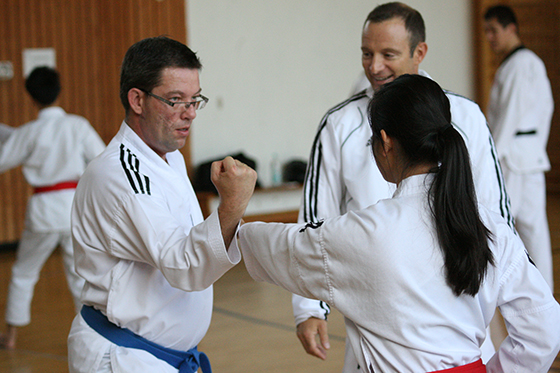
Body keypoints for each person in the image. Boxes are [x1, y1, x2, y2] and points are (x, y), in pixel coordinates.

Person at [239, 74, 560, 373]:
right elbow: (543, 329)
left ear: (385, 142)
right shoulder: (489, 225)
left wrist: (234, 208)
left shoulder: (362, 233)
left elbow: (274, 245)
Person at [294, 2, 513, 370]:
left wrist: (508, 299)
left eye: (388, 54)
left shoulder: (465, 117)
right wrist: (309, 307)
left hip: (455, 310)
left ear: (419, 53)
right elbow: (315, 218)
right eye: (367, 53)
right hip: (373, 314)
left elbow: (495, 213)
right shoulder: (340, 124)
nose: (374, 66)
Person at [67, 36, 257, 373]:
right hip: (123, 356)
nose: (190, 113)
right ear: (137, 100)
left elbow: (187, 244)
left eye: (195, 100)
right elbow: (183, 265)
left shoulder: (169, 159)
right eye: (175, 100)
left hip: (158, 356)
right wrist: (232, 205)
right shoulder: (122, 175)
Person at [0, 67, 106, 349]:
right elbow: (103, 160)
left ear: (31, 97)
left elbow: (4, 157)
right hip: (75, 208)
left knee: (24, 271)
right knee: (80, 275)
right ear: (59, 89)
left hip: (43, 210)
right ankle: (91, 336)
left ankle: (10, 336)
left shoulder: (29, 132)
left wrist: (17, 138)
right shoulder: (77, 125)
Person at [484, 5, 554, 290]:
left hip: (513, 157)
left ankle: (534, 294)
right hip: (526, 155)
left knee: (501, 225)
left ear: (511, 28)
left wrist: (491, 156)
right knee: (530, 231)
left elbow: (510, 115)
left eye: (494, 30)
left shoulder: (521, 64)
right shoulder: (521, 63)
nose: (489, 37)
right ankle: (541, 294)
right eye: (486, 31)